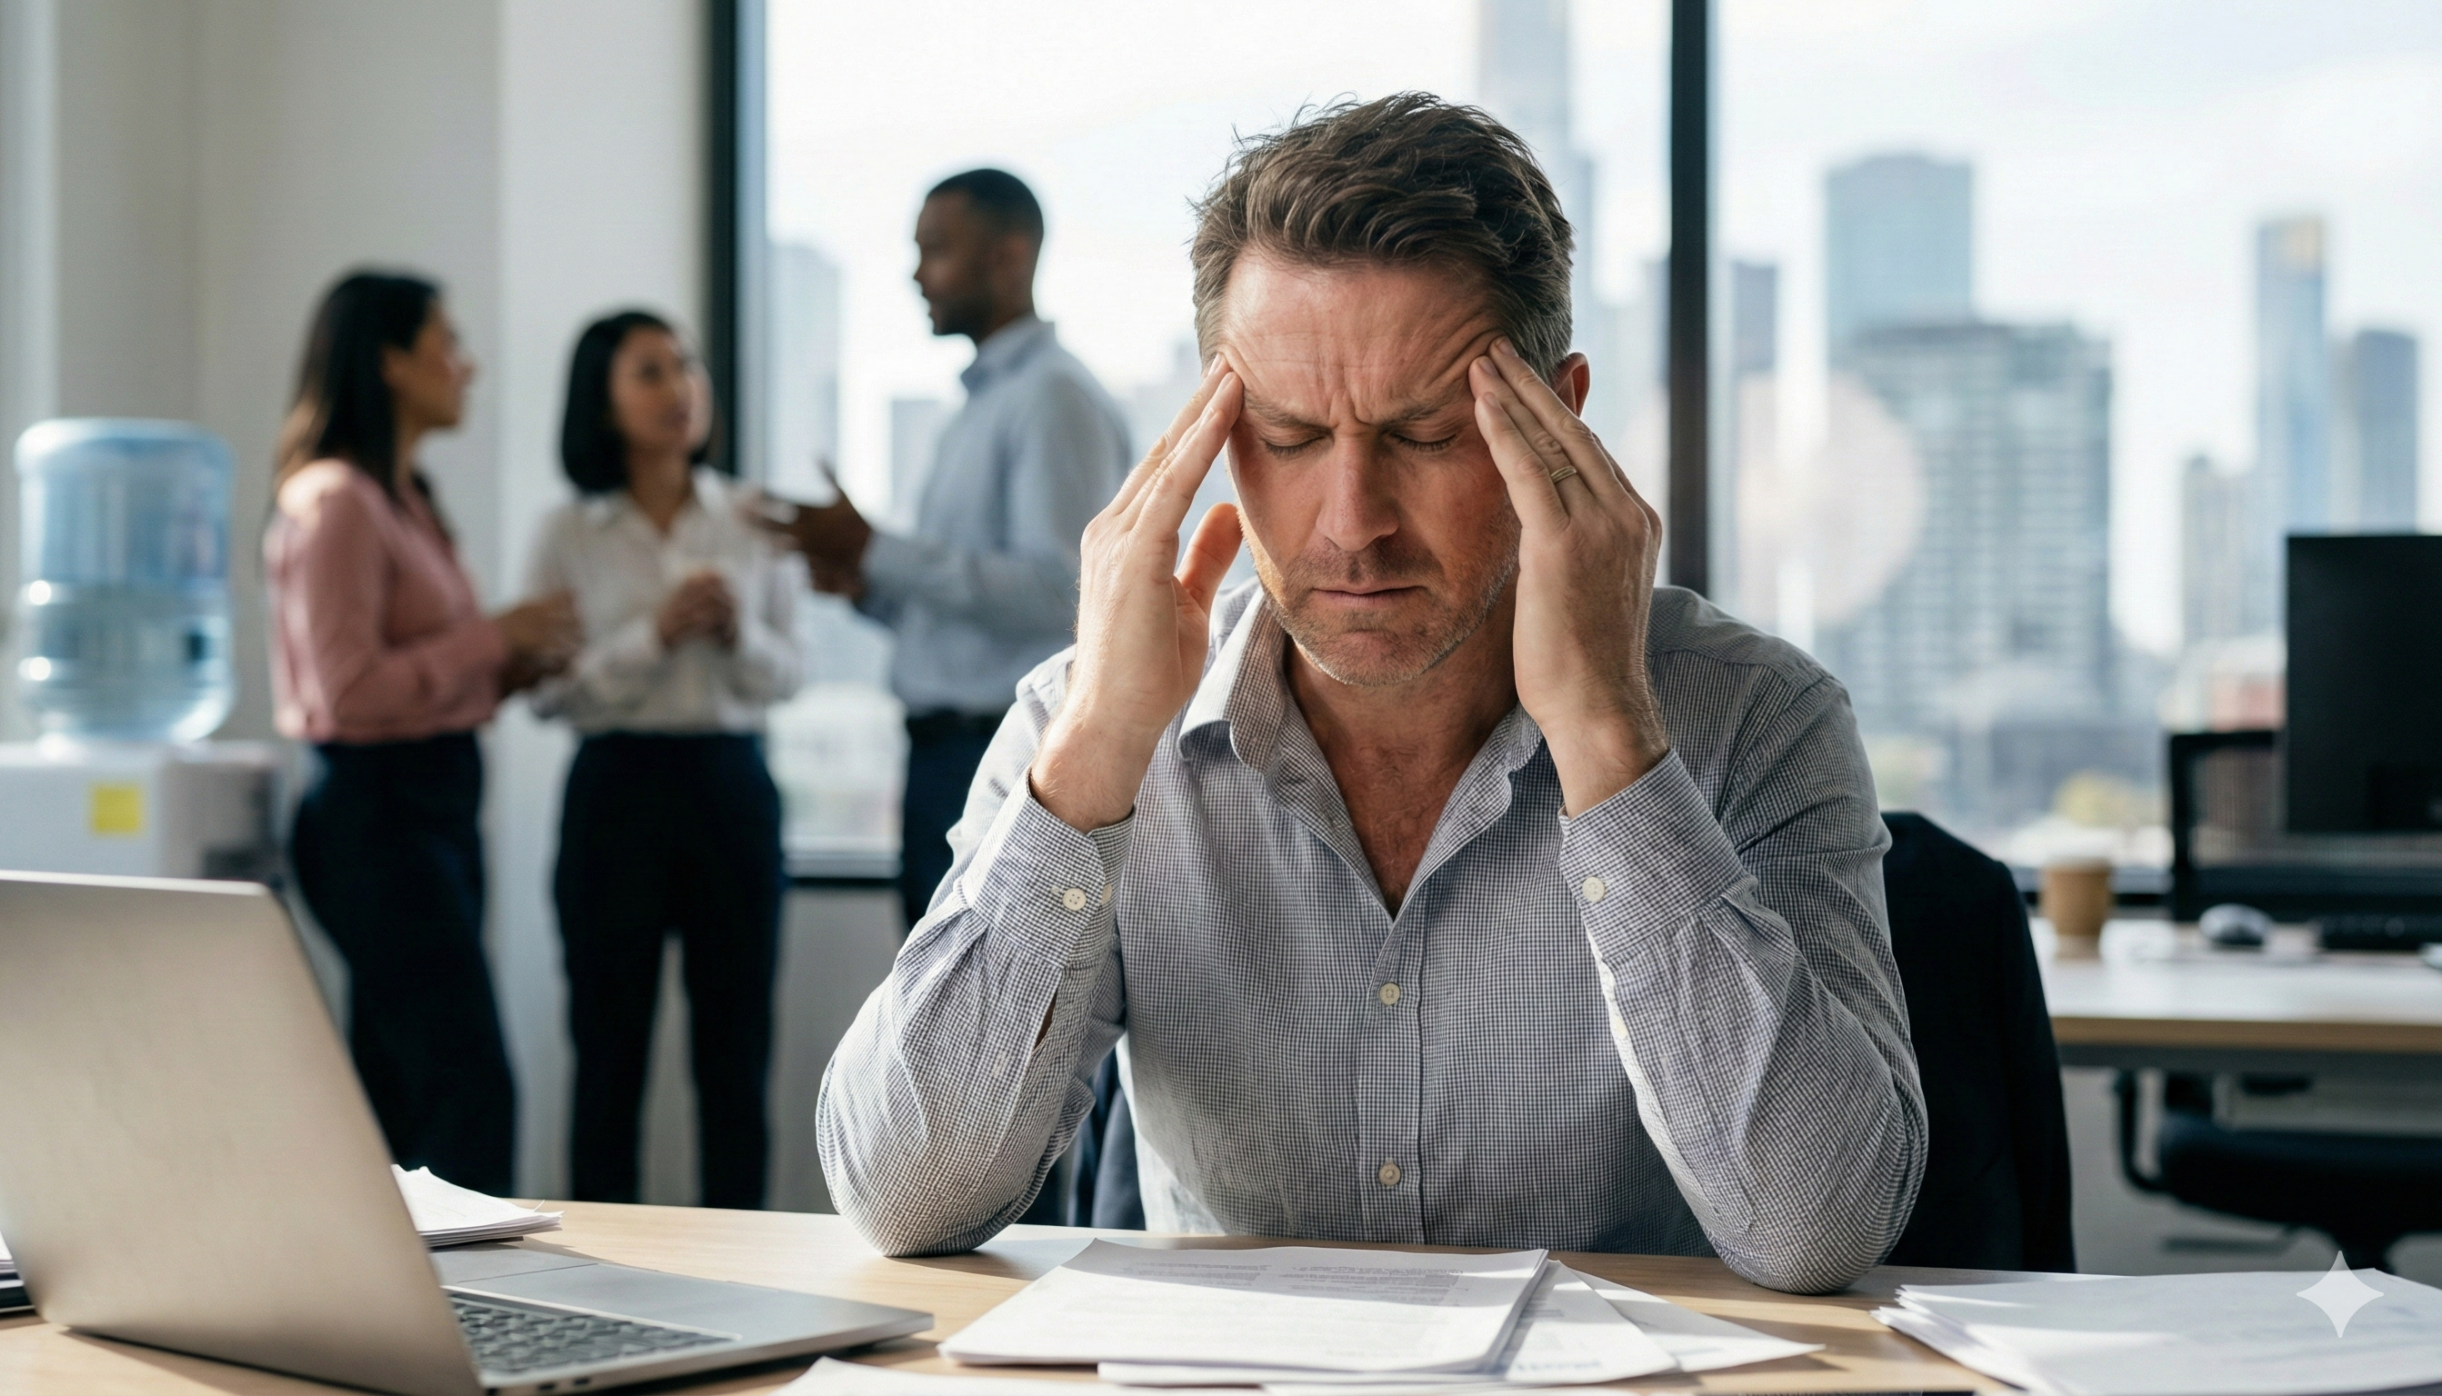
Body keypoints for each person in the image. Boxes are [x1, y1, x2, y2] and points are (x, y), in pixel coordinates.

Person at [817, 96, 1928, 1294]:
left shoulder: (1757, 716)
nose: (1352, 526)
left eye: (1427, 432)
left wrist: (1609, 736)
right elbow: (902, 1196)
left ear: (1559, 416)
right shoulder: (1084, 721)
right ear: (1213, 431)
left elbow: (1816, 1230)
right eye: (1289, 437)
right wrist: (1096, 751)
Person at [267, 270, 580, 1194]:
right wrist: (495, 636)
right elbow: (351, 691)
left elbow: (416, 677)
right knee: (467, 1087)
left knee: (405, 1084)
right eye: (447, 341)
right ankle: (483, 1315)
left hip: (430, 804)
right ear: (390, 361)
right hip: (377, 817)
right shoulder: (337, 501)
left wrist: (510, 666)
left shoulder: (405, 497)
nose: (468, 365)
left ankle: (399, 1309)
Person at [771, 168, 1132, 937]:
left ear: (1008, 257)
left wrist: (877, 547)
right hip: (948, 754)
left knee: (1000, 1024)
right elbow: (969, 598)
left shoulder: (1050, 398)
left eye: (935, 250)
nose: (915, 273)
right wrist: (865, 581)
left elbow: (1060, 594)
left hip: (1001, 759)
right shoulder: (981, 402)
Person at [526, 310, 803, 1208]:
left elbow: (790, 675)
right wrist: (655, 634)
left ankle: (753, 1282)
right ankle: (597, 1279)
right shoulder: (567, 532)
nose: (679, 386)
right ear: (601, 399)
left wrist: (734, 632)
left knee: (736, 1054)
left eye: (686, 365)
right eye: (649, 371)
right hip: (615, 792)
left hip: (731, 786)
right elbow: (547, 692)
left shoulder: (755, 518)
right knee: (607, 1053)